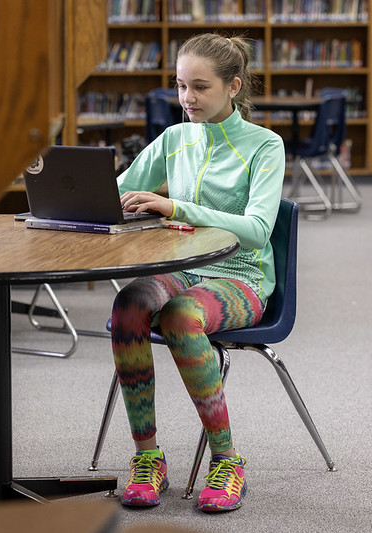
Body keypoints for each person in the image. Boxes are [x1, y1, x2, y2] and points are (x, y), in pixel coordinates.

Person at [111, 32, 285, 513]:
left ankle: (227, 461)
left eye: (200, 87)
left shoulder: (265, 146)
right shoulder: (173, 138)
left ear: (233, 86)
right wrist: (78, 196)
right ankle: (149, 458)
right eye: (181, 86)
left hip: (242, 277)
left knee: (180, 316)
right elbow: (117, 194)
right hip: (183, 268)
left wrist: (174, 204)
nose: (187, 98)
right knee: (129, 304)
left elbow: (255, 230)